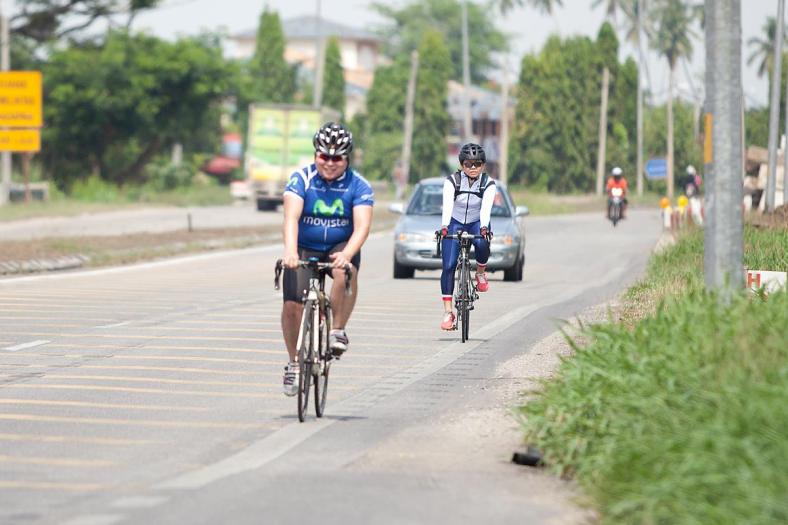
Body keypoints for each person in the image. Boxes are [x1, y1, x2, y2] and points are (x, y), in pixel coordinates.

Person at [280, 122, 374, 396]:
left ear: (347, 158)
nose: (330, 163)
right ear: (315, 155)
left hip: (339, 245)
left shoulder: (359, 185)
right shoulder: (301, 179)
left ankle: (338, 330)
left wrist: (347, 254)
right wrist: (290, 252)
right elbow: (291, 218)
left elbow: (362, 226)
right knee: (291, 306)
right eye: (324, 156)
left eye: (337, 158)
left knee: (346, 271)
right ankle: (294, 364)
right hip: (305, 246)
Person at [438, 143, 496, 331]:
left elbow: (486, 209)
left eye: (477, 164)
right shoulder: (452, 181)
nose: (473, 168)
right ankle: (448, 313)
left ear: (483, 165)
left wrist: (484, 228)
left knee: (481, 242)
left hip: (476, 221)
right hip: (455, 221)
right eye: (468, 164)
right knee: (448, 266)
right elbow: (447, 205)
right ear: (462, 164)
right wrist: (445, 227)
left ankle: (480, 273)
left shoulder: (488, 183)